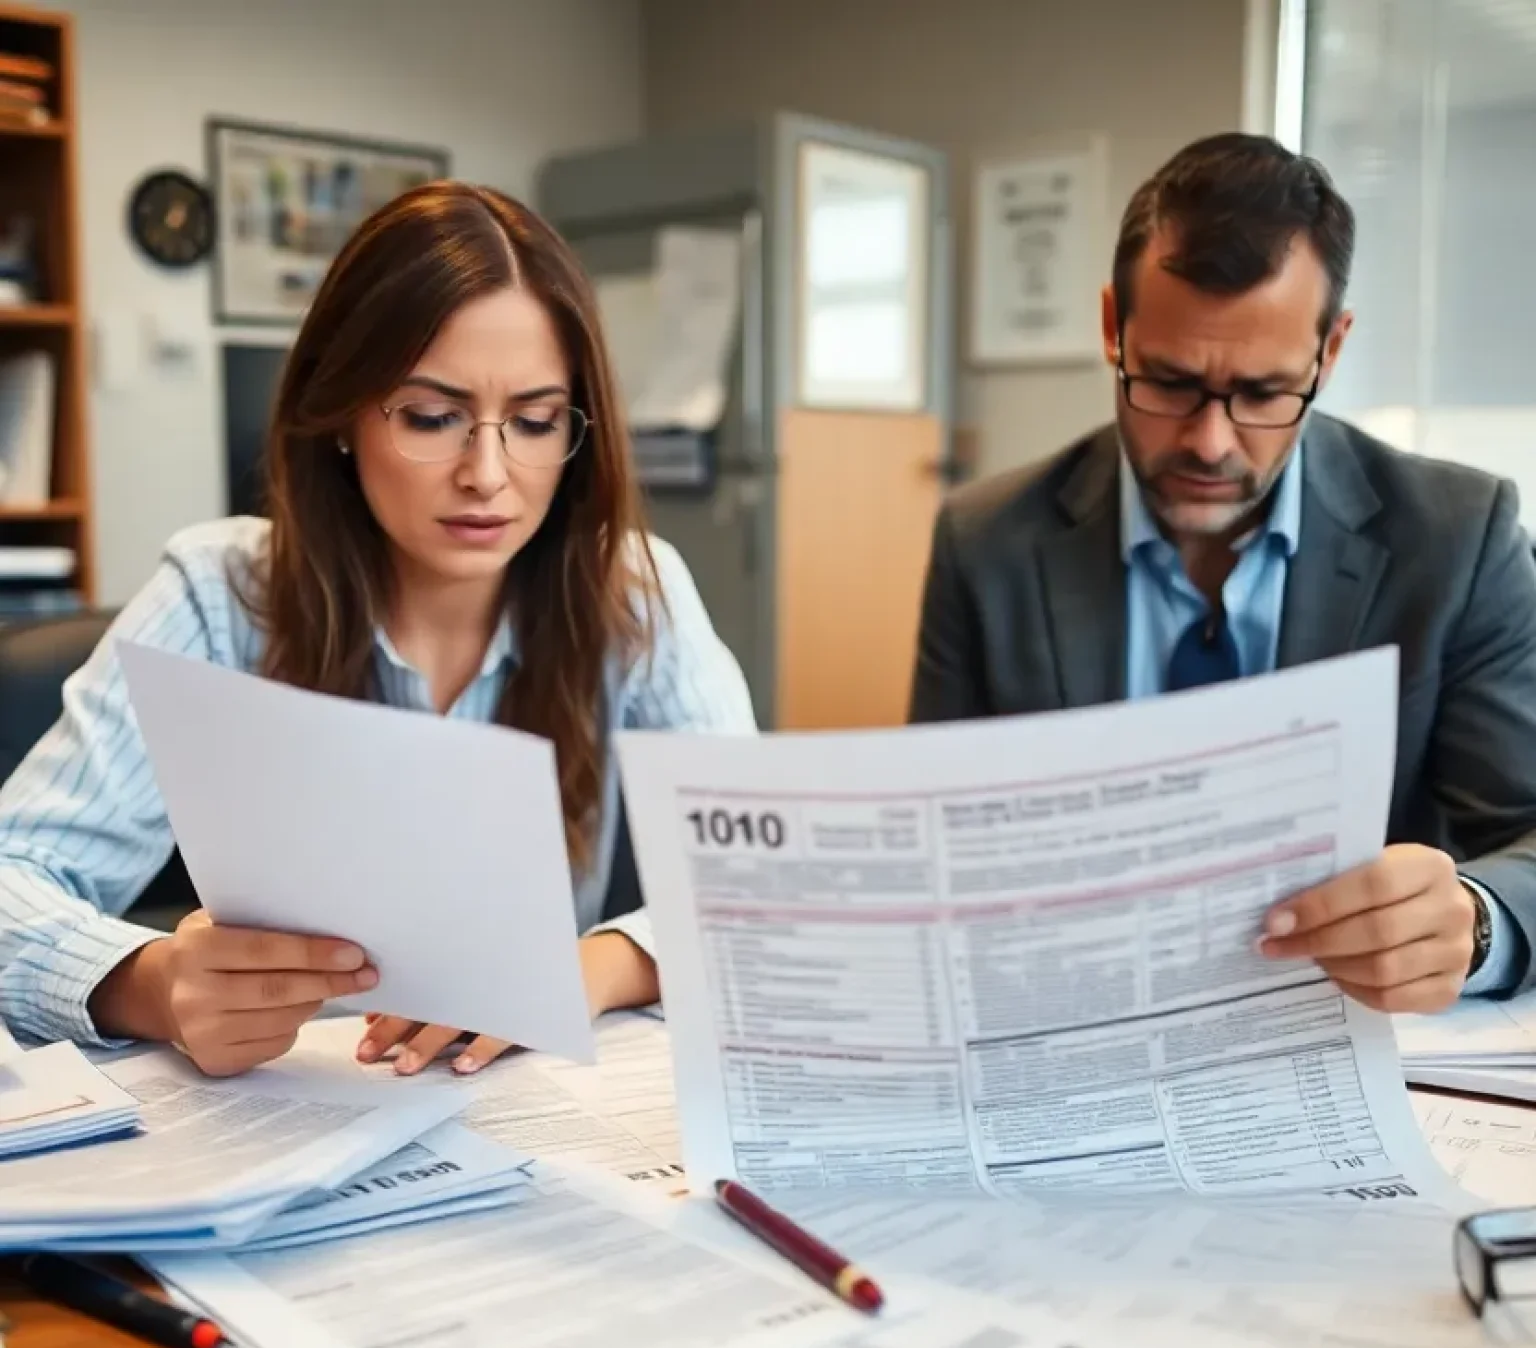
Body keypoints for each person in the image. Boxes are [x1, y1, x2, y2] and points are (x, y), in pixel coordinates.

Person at [0, 182, 754, 1077]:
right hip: (289, 1112)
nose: (488, 472)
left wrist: (585, 970)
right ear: (344, 417)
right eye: (432, 417)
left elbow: (754, 876)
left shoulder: (632, 589)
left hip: (528, 1118)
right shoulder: (219, 593)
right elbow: (15, 877)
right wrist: (150, 982)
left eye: (536, 421)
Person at [909, 132, 1536, 1015]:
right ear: (1110, 329)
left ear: (1331, 351)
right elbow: (934, 848)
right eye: (1166, 382)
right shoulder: (987, 543)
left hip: (1334, 1033)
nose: (1210, 442)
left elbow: (1527, 839)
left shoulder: (1459, 539)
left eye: (1264, 393)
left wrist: (1472, 922)